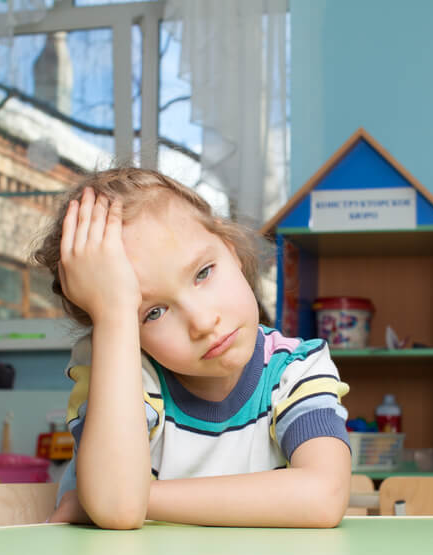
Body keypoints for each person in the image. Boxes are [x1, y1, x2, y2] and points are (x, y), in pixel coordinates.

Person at [32, 168, 352, 531]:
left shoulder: (298, 367)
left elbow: (323, 496)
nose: (201, 322)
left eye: (203, 273)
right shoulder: (119, 369)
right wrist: (114, 314)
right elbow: (118, 507)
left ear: (230, 249)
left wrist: (139, 497)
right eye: (153, 313)